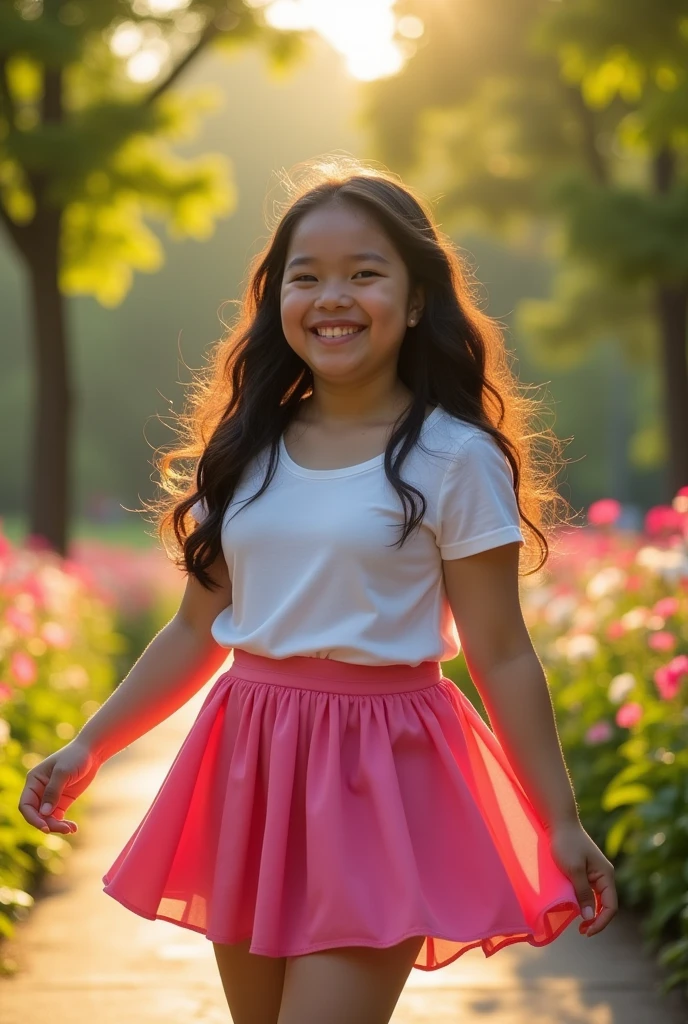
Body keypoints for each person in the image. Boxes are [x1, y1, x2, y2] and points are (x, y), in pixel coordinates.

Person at [18, 156, 617, 1024]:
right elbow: (197, 630)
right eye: (308, 277)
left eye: (365, 274)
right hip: (250, 760)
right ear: (278, 301)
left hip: (383, 773)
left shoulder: (455, 457)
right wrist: (88, 748)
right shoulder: (246, 447)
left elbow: (501, 653)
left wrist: (558, 821)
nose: (332, 297)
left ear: (415, 301)